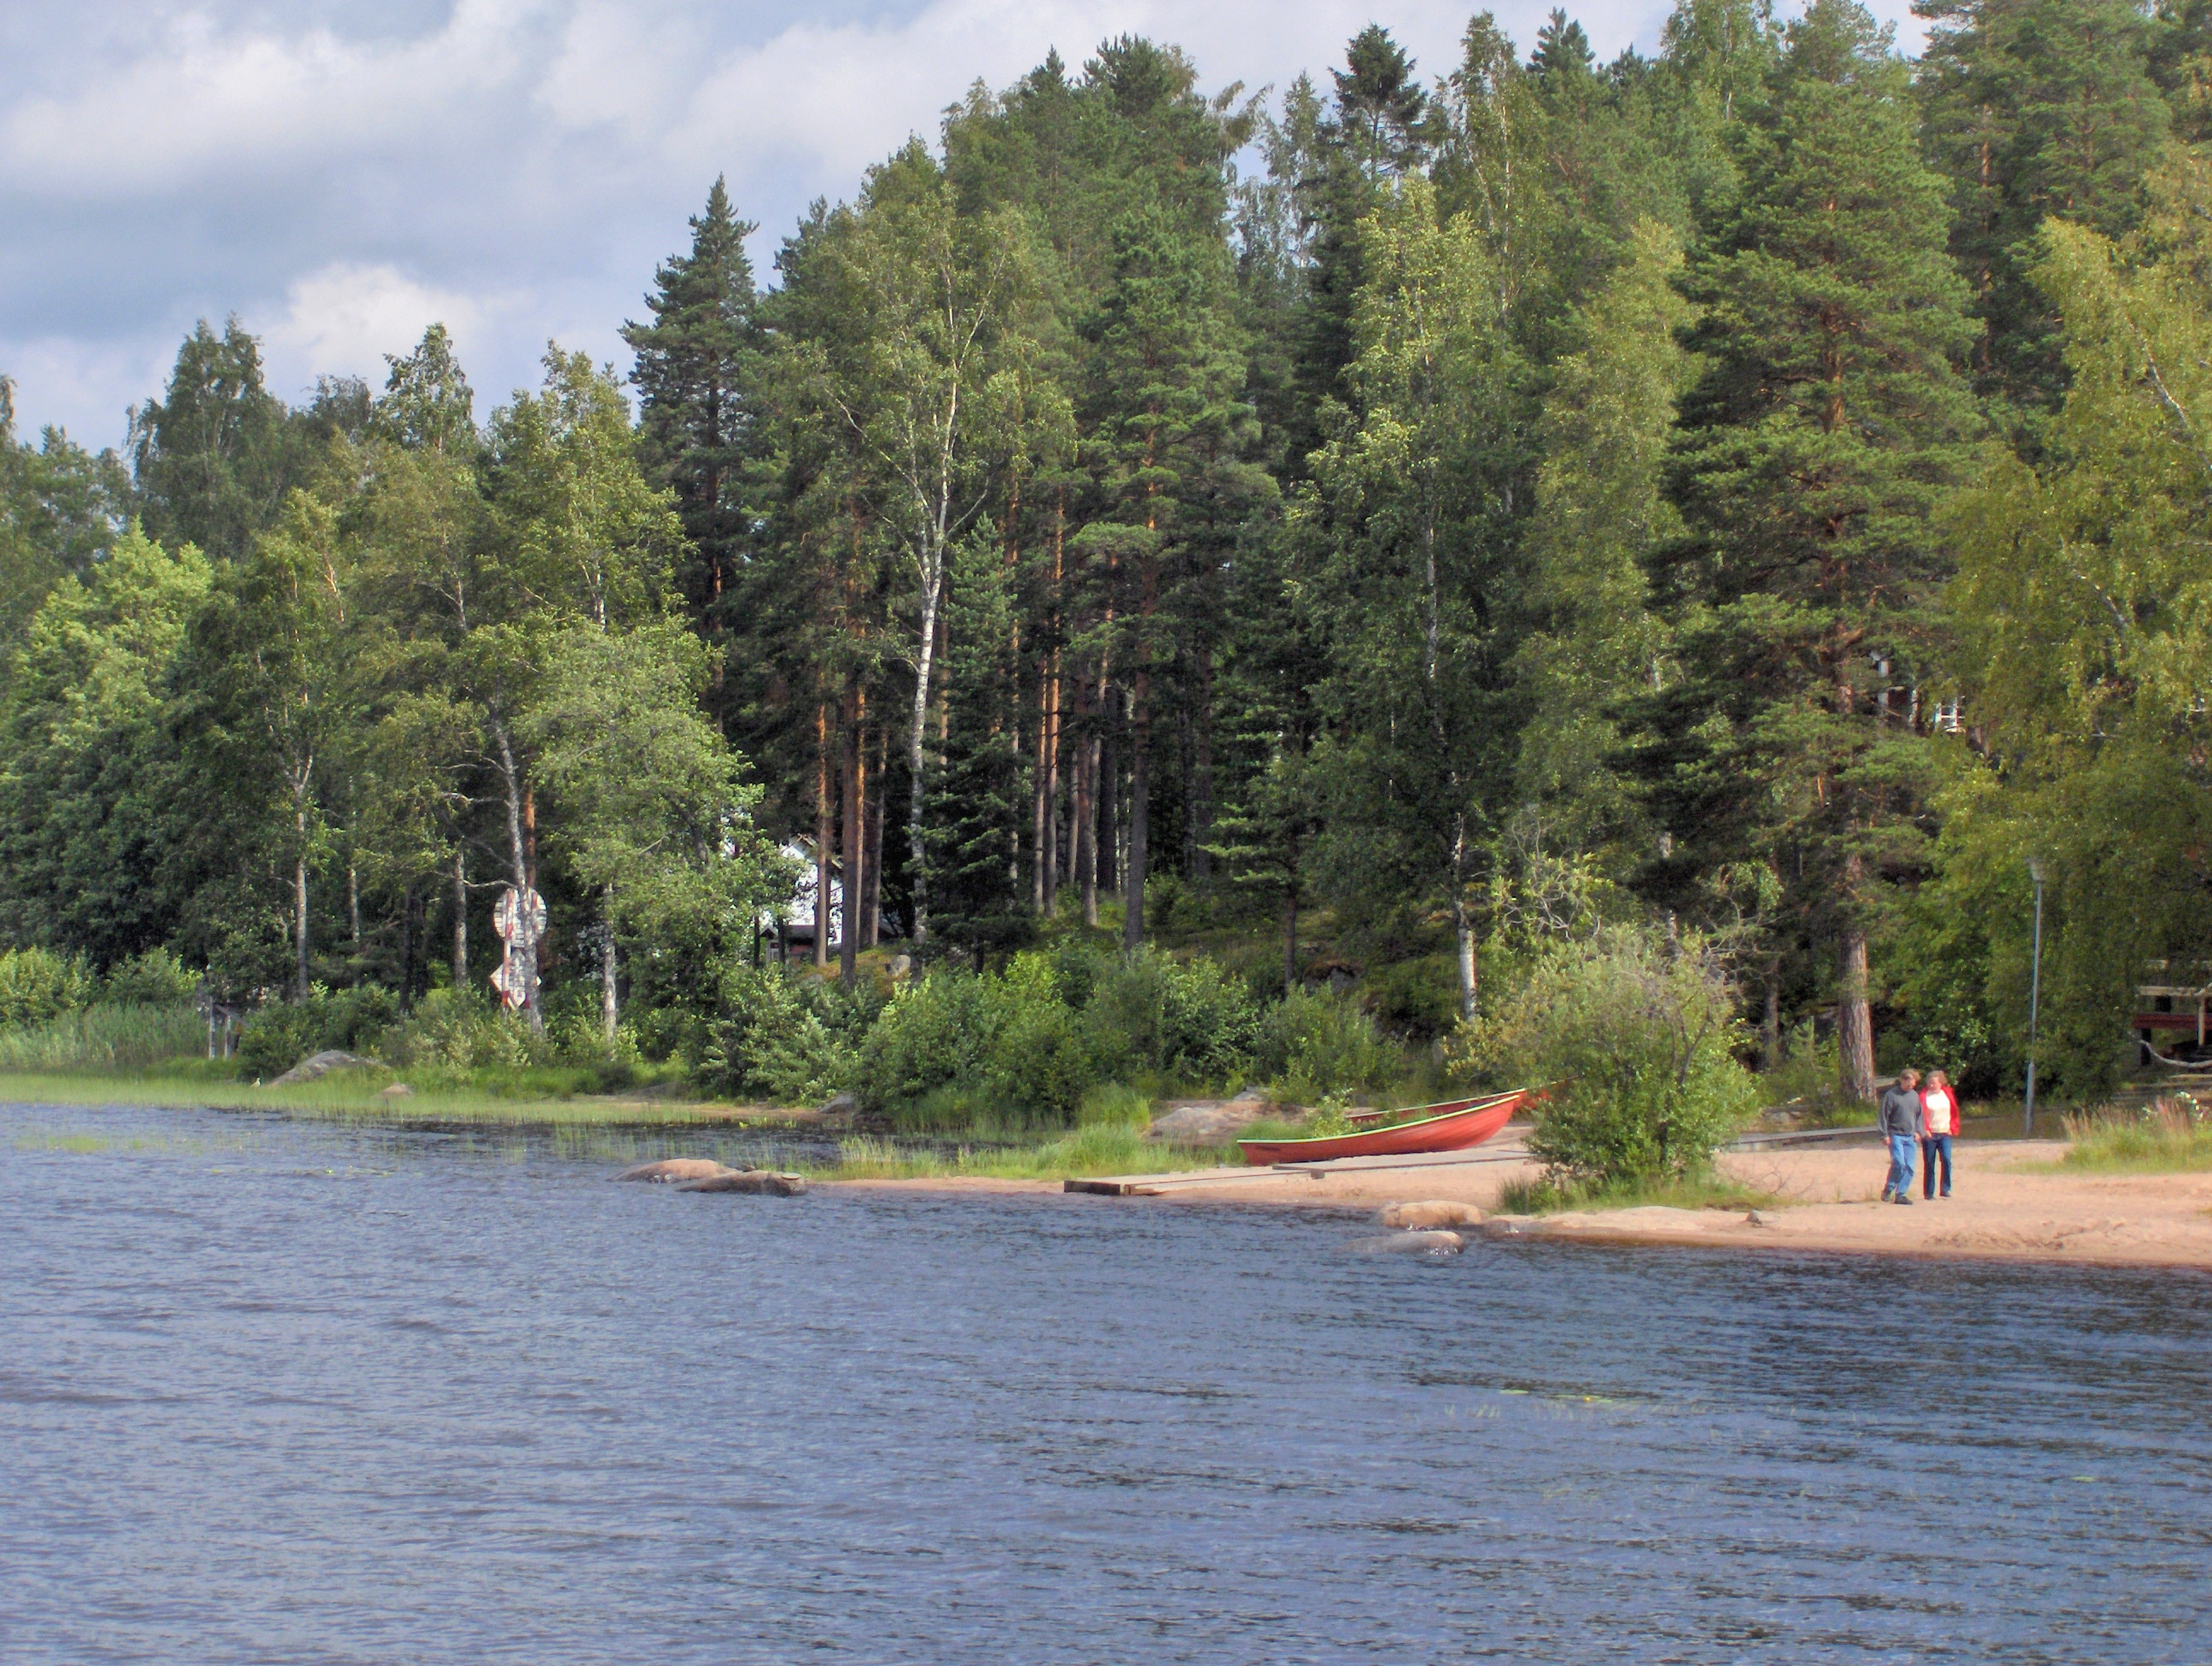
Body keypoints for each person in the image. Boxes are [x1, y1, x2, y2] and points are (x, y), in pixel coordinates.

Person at [1877, 1069, 1922, 1204]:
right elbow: (1883, 1115)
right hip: (1895, 1135)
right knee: (1899, 1163)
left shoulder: (1914, 1096)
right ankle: (1889, 1188)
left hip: (1910, 1136)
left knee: (1910, 1166)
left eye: (1913, 1082)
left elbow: (1919, 1115)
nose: (1911, 1084)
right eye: (1908, 1081)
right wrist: (1884, 1134)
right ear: (1902, 1080)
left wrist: (1919, 1131)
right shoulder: (1891, 1095)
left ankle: (1901, 1194)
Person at [1920, 1069, 1957, 1199]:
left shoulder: (1947, 1094)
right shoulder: (1924, 1096)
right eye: (1929, 1083)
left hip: (1944, 1133)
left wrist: (1951, 1127)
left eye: (1934, 1083)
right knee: (1930, 1163)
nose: (1931, 1085)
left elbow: (1953, 1112)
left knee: (1946, 1160)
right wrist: (1925, 1130)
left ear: (1940, 1082)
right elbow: (1921, 1115)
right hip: (1930, 1134)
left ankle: (1946, 1188)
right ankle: (1929, 1192)